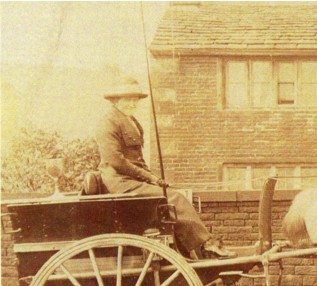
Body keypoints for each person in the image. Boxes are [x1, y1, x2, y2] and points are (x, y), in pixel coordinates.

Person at [96, 77, 235, 259]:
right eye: (128, 99)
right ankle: (206, 244)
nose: (133, 103)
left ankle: (189, 252)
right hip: (119, 182)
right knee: (173, 199)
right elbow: (116, 161)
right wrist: (150, 179)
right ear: (116, 100)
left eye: (135, 99)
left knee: (174, 194)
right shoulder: (108, 123)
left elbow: (138, 160)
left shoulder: (132, 122)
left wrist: (155, 179)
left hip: (132, 180)